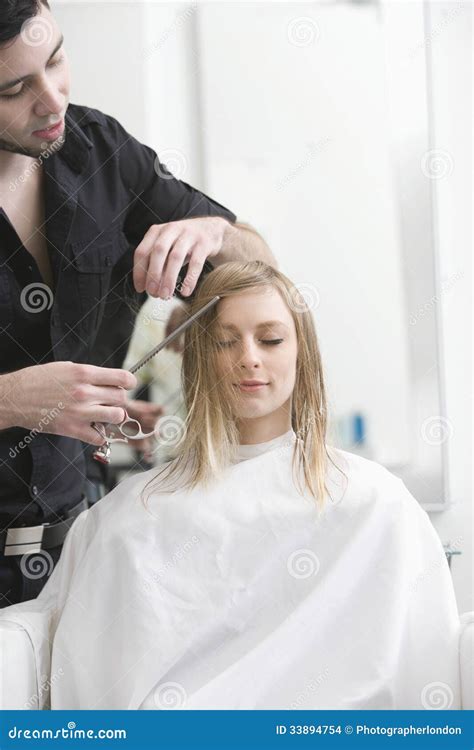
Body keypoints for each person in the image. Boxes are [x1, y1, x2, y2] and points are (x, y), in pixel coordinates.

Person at [0, 261, 461, 710]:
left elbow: (424, 671)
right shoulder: (129, 515)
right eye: (224, 341)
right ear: (200, 357)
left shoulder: (374, 501)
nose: (249, 358)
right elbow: (88, 685)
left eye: (271, 339)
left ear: (303, 351)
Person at [0, 0, 274, 607]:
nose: (53, 101)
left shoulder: (101, 151)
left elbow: (259, 269)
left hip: (82, 550)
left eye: (57, 60)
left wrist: (214, 233)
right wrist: (13, 399)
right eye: (15, 89)